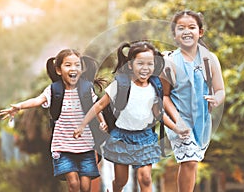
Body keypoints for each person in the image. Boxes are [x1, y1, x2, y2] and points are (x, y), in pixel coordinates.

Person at [73, 41, 190, 192]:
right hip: (122, 138)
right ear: (130, 65)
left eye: (150, 64)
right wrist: (82, 125)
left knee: (146, 178)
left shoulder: (155, 86)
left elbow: (158, 114)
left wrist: (176, 128)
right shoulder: (121, 84)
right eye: (140, 63)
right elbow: (99, 105)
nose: (145, 68)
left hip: (145, 138)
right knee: (122, 180)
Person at [0, 49, 107, 192]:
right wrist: (19, 106)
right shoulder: (54, 90)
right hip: (62, 146)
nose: (73, 68)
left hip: (86, 146)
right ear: (58, 70)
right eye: (68, 65)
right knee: (74, 184)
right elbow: (37, 100)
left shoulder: (86, 89)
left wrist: (102, 121)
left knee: (86, 187)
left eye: (77, 65)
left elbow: (96, 107)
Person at [161, 10, 225, 192]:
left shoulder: (210, 59)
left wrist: (216, 99)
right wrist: (177, 121)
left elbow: (220, 90)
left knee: (193, 161)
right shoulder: (169, 62)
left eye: (192, 27)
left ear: (200, 32)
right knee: (188, 160)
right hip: (179, 119)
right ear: (174, 34)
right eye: (181, 28)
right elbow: (164, 96)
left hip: (202, 121)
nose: (186, 31)